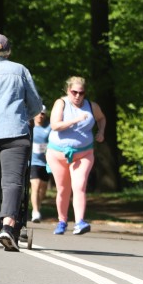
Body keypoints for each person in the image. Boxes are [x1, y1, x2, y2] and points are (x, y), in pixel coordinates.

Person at [0, 33, 44, 252]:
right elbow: (36, 105)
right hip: (15, 133)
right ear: (8, 51)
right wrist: (22, 116)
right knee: (12, 182)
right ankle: (8, 227)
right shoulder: (20, 70)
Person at [46, 76, 106, 236]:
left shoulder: (92, 106)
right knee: (63, 189)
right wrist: (75, 120)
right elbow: (55, 125)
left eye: (81, 93)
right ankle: (62, 221)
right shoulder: (61, 103)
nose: (78, 96)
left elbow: (101, 118)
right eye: (74, 92)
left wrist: (101, 132)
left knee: (79, 186)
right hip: (58, 155)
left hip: (83, 153)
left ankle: (80, 222)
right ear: (68, 90)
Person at [29, 109, 51, 222]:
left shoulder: (49, 127)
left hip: (46, 163)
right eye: (38, 113)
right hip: (33, 162)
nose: (40, 116)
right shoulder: (29, 127)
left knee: (43, 188)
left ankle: (38, 206)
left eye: (43, 114)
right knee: (35, 185)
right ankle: (35, 211)